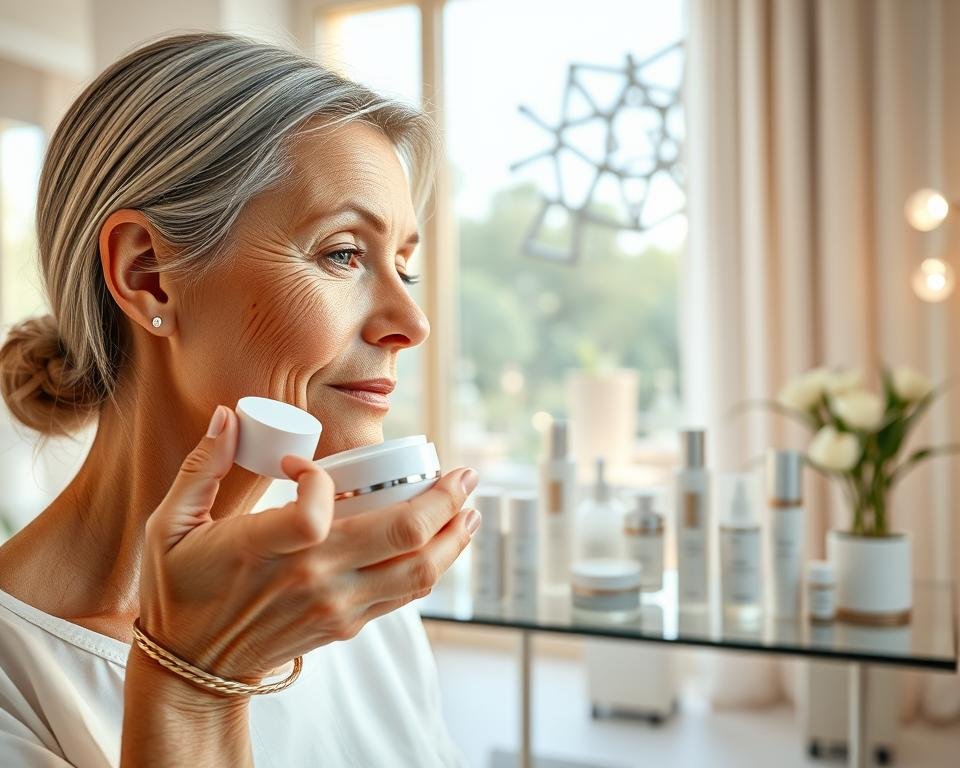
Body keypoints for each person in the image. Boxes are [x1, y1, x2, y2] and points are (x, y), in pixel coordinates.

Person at [0, 31, 480, 767]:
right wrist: (193, 687)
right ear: (149, 274)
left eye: (404, 268)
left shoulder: (342, 595)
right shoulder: (16, 679)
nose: (410, 324)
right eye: (344, 253)